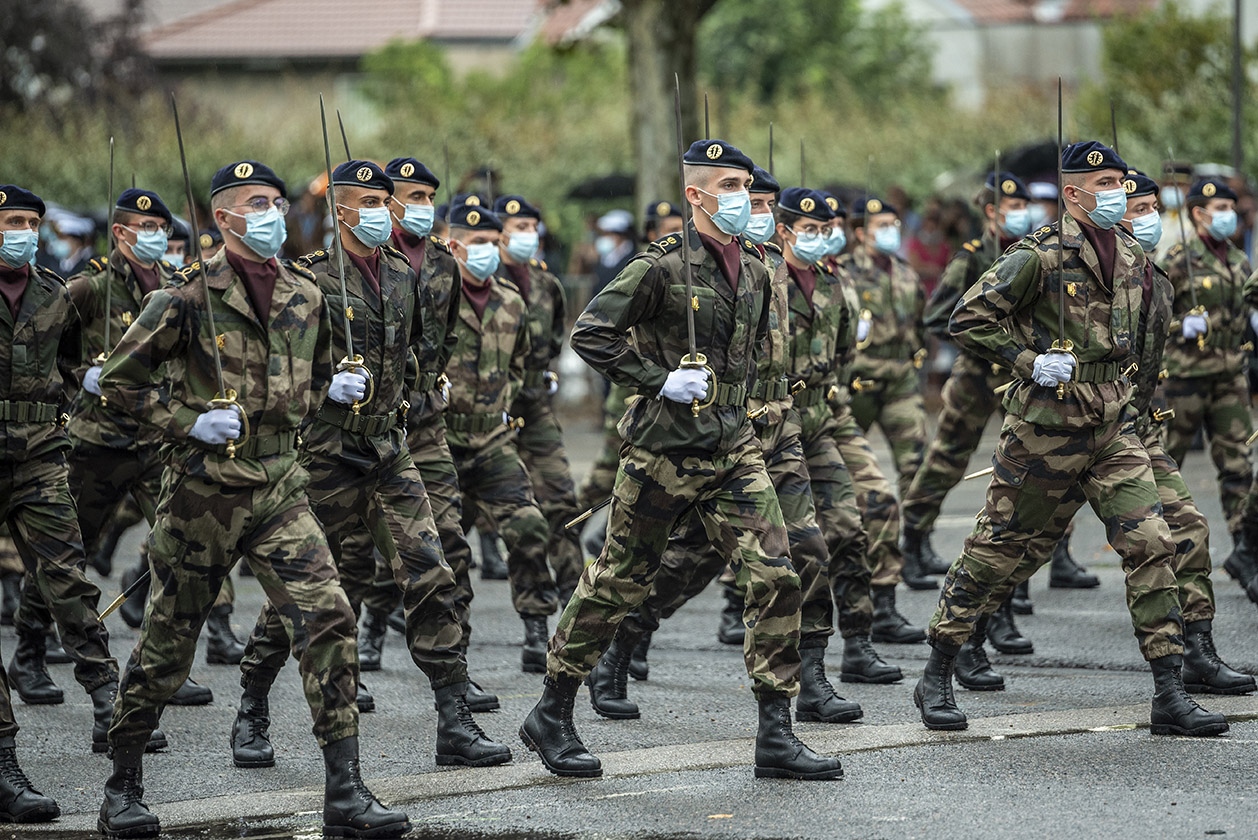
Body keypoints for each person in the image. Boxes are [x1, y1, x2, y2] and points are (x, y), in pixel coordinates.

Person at [96, 160, 409, 838]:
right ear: (224, 217)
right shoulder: (184, 298)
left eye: (277, 202)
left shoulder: (305, 292)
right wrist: (188, 422)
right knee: (168, 644)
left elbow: (316, 374)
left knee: (328, 618)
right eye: (258, 203)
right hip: (203, 495)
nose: (273, 214)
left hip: (281, 486)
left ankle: (346, 792)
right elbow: (117, 382)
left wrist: (333, 389)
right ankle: (122, 784)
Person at [521, 140, 842, 782]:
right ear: (695, 194)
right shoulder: (660, 266)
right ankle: (552, 710)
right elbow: (591, 333)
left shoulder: (757, 266)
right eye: (728, 187)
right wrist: (658, 379)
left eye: (745, 187)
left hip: (733, 447)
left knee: (776, 574)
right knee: (619, 580)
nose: (741, 198)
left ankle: (776, 733)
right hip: (663, 451)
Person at [916, 141, 1228, 739]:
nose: (1116, 193)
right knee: (1000, 547)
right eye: (1103, 183)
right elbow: (968, 318)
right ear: (1073, 192)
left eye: (1119, 181)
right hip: (1046, 429)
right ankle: (939, 668)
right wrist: (1027, 360)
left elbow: (1143, 346)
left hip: (1113, 426)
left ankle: (1169, 690)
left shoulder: (1134, 257)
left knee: (1153, 542)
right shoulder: (1037, 255)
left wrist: (1137, 410)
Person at [233, 159, 508, 768]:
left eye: (388, 202)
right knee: (305, 588)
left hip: (389, 448)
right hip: (328, 453)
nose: (385, 213)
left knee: (431, 573)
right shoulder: (308, 280)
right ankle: (252, 707)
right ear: (342, 211)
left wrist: (414, 394)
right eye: (371, 203)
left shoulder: (404, 274)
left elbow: (416, 350)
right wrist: (324, 388)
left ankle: (454, 719)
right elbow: (277, 369)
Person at [0, 184, 128, 824]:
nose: (21, 232)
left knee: (67, 576)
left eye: (30, 222)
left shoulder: (54, 292)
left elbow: (73, 363)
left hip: (40, 457)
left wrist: (80, 391)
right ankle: (3, 758)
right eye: (10, 221)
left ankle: (108, 699)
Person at [443, 202, 560, 673]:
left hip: (493, 441)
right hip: (440, 443)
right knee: (440, 548)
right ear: (454, 247)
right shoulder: (433, 299)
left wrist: (502, 407)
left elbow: (520, 365)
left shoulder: (511, 300)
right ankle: (439, 650)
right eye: (478, 244)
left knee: (529, 526)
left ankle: (536, 631)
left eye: (494, 243)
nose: (488, 252)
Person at [1161, 176, 1256, 587]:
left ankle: (1245, 549)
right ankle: (1160, 550)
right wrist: (1181, 323)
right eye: (1220, 209)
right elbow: (1149, 315)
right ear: (1198, 214)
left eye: (1231, 209)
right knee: (1167, 462)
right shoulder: (1179, 259)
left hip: (1229, 375)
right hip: (1186, 377)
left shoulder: (1238, 259)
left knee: (1238, 464)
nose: (1229, 216)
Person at [494, 194, 584, 599]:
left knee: (560, 498)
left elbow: (553, 340)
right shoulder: (480, 281)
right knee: (505, 511)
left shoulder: (546, 283)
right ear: (498, 234)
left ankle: (574, 598)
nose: (528, 235)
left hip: (533, 406)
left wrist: (546, 374)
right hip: (487, 410)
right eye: (519, 228)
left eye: (532, 227)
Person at [842, 196, 929, 504]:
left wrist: (916, 353)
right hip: (859, 379)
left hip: (900, 378)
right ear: (861, 233)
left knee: (916, 462)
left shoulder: (905, 272)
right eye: (882, 225)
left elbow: (919, 320)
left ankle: (916, 530)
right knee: (844, 464)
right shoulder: (843, 272)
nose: (891, 230)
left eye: (893, 224)